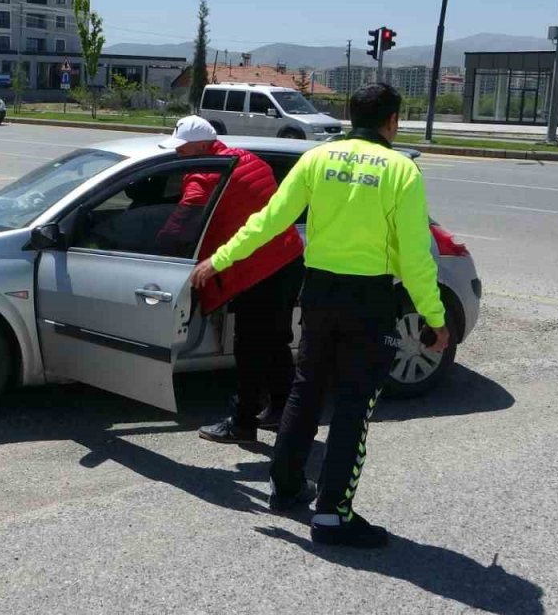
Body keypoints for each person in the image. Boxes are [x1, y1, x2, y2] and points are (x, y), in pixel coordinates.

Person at [191, 84, 447, 548]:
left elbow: (269, 220)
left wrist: (219, 260)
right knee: (352, 405)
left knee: (305, 393)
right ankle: (332, 517)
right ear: (393, 121)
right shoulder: (401, 171)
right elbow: (415, 257)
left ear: (351, 115)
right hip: (369, 301)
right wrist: (435, 317)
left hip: (319, 294)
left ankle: (285, 488)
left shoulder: (317, 158)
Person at [154, 115, 305, 444]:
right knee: (275, 339)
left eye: (183, 149)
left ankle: (243, 421)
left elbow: (185, 218)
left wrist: (159, 245)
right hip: (289, 259)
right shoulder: (250, 159)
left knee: (249, 346)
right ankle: (281, 408)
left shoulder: (204, 174)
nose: (179, 155)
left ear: (202, 146)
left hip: (256, 270)